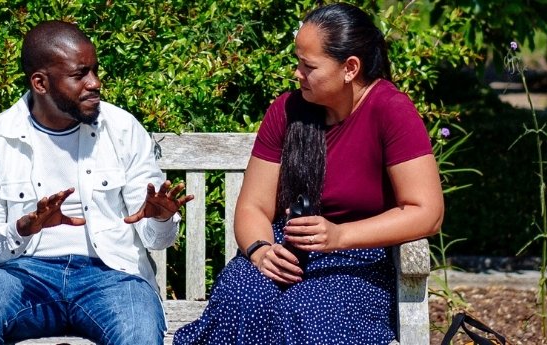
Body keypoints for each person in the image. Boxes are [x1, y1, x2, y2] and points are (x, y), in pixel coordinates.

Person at [173, 3, 444, 344]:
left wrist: (340, 236)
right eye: (298, 62)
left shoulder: (391, 110)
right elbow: (253, 207)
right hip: (283, 248)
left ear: (350, 68)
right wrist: (260, 251)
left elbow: (427, 212)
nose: (297, 73)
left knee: (307, 314)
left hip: (356, 259)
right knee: (241, 297)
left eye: (308, 65)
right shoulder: (287, 110)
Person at [0, 20, 194, 344]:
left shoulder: (122, 128)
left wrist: (160, 218)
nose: (95, 83)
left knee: (139, 332)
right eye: (80, 75)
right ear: (41, 83)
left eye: (94, 70)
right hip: (23, 272)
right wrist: (22, 229)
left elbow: (154, 239)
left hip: (112, 275)